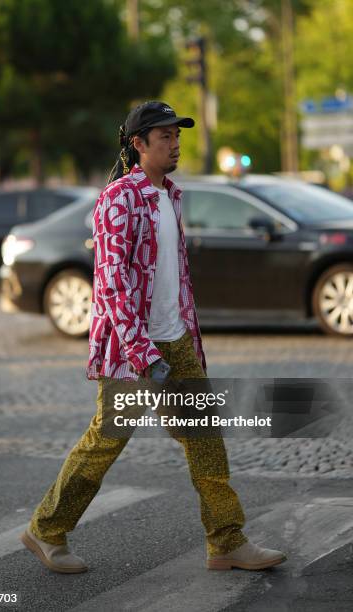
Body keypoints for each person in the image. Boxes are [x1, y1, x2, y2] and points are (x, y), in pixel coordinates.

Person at [20, 101, 287, 573]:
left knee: (206, 437)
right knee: (107, 439)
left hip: (176, 340)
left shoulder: (172, 197)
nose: (175, 143)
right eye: (164, 136)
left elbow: (172, 279)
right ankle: (46, 530)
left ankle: (226, 540)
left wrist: (185, 338)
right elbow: (112, 284)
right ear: (137, 144)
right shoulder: (118, 199)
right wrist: (142, 352)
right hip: (133, 350)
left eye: (177, 135)